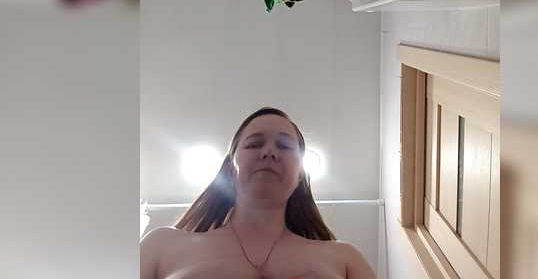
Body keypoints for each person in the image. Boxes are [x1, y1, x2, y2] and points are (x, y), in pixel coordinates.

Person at [141, 107, 377, 279]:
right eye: (254, 144)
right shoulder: (162, 246)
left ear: (300, 176)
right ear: (230, 169)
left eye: (284, 146)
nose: (269, 152)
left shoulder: (345, 259)